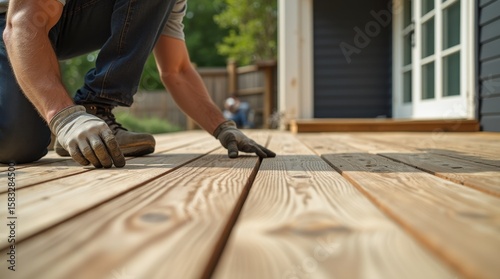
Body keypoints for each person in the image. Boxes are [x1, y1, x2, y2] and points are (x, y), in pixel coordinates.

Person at [0, 0, 275, 168]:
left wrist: (222, 127)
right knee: (20, 144)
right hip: (10, 22)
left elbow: (177, 70)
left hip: (55, 27)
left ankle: (97, 107)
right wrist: (64, 117)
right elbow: (22, 23)